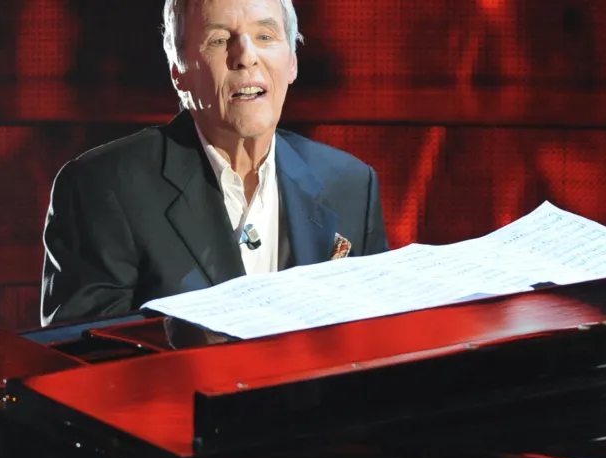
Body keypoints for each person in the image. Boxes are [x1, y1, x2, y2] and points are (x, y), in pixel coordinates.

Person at [39, 0, 390, 326]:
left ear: (292, 62)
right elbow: (90, 364)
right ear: (179, 70)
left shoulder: (352, 185)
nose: (245, 57)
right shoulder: (102, 188)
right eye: (219, 40)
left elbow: (374, 346)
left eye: (265, 36)